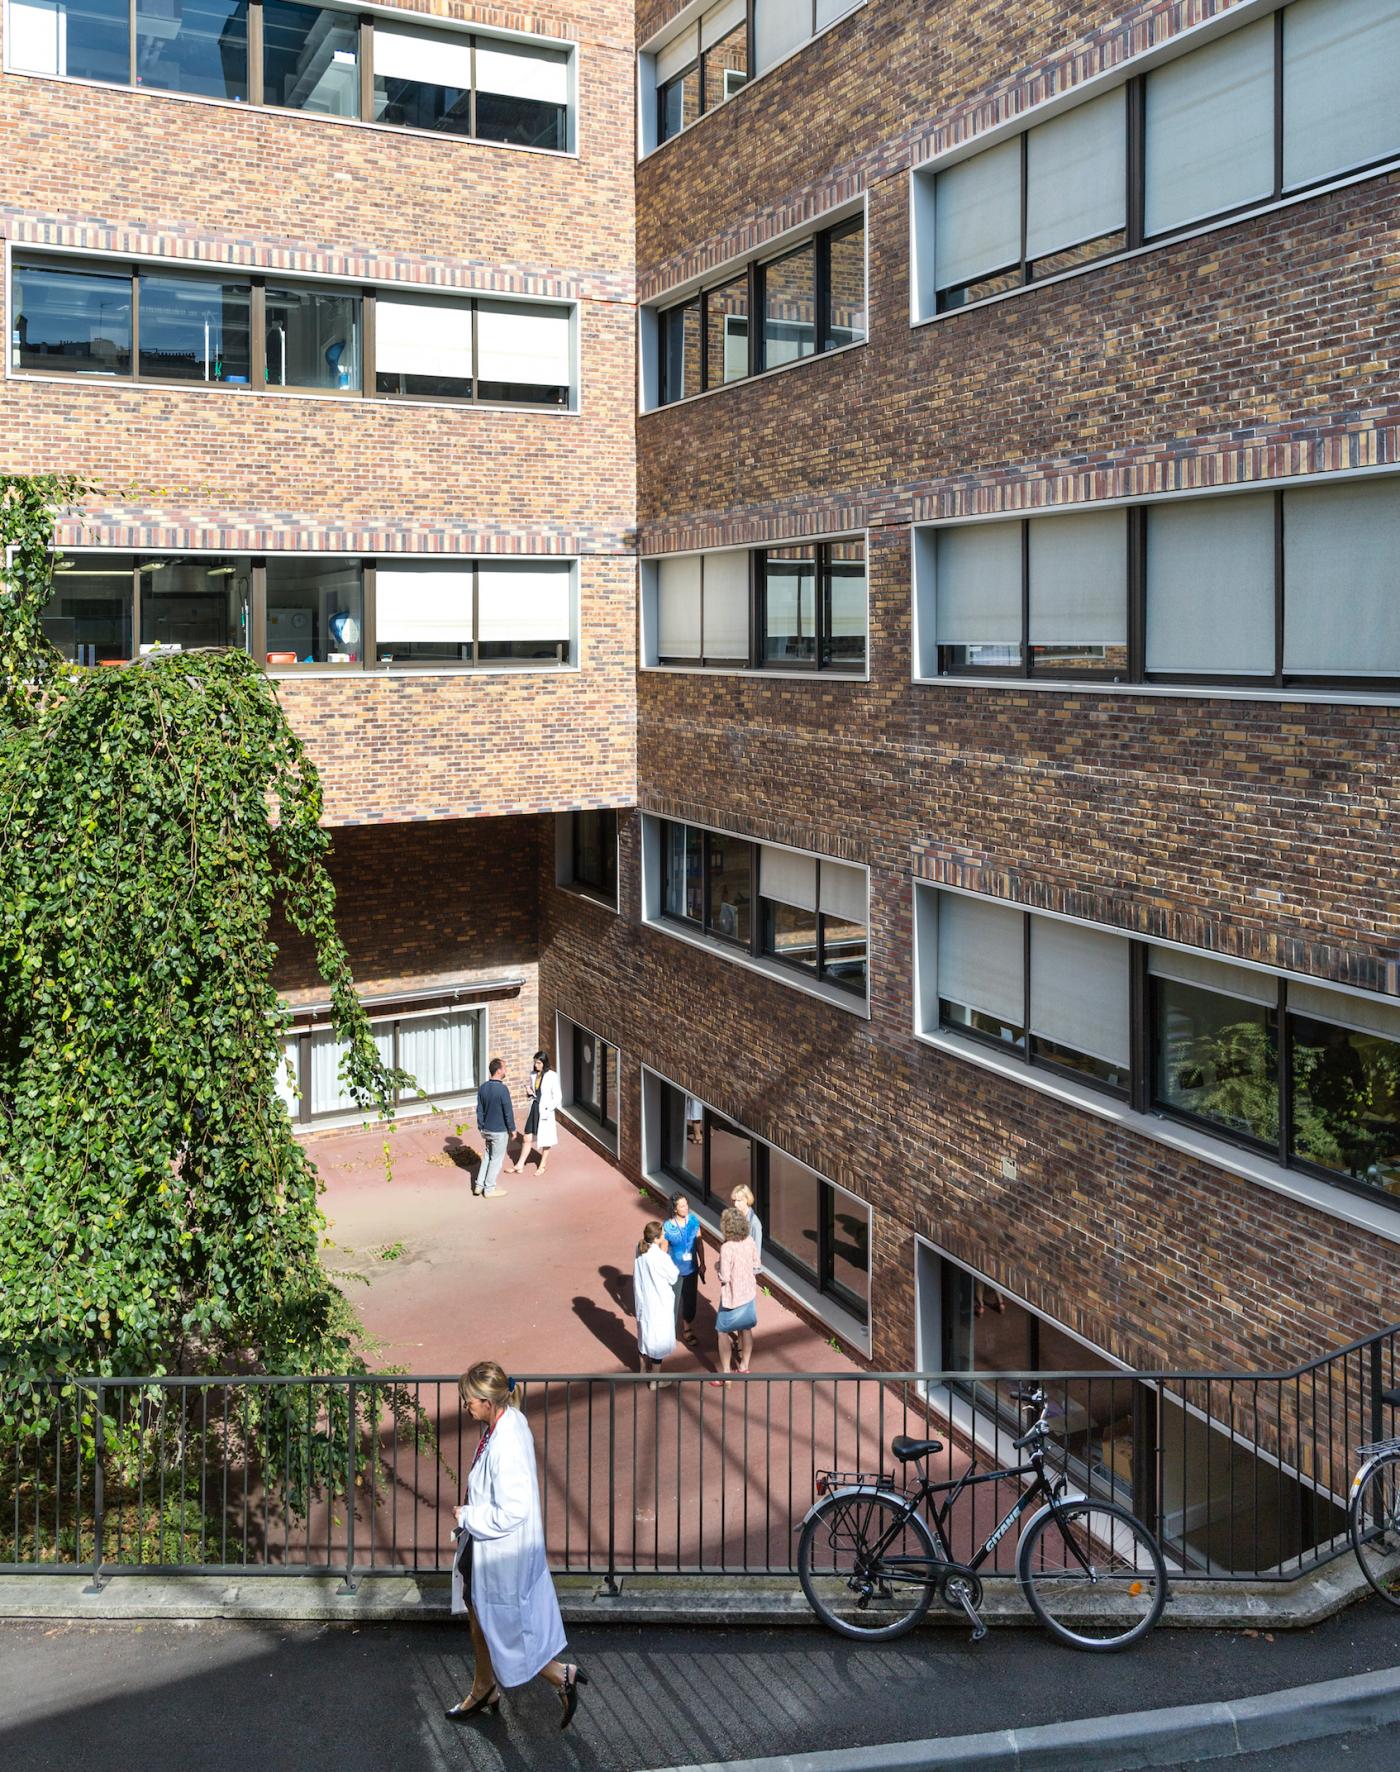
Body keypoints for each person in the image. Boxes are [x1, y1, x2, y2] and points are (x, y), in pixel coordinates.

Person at [447, 1360, 588, 1730]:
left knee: (501, 1624)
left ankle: (559, 1675)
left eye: (469, 1401)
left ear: (488, 1402)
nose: (465, 1406)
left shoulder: (505, 1441)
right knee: (486, 1615)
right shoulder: (506, 1424)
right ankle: (484, 1686)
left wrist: (468, 1516)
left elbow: (511, 1510)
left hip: (499, 1549)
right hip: (489, 1548)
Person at [712, 1207, 759, 1385]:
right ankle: (744, 1365)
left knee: (722, 1331)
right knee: (746, 1329)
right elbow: (756, 1263)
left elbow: (724, 1276)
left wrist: (717, 1267)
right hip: (748, 1293)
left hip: (731, 1297)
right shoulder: (750, 1241)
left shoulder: (727, 1248)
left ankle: (726, 1373)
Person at [633, 1221, 679, 1386]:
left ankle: (642, 1370)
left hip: (643, 1300)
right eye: (663, 1234)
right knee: (658, 1339)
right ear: (657, 1237)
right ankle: (655, 1380)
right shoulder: (661, 1257)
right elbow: (673, 1276)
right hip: (659, 1302)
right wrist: (664, 1252)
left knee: (643, 1334)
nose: (665, 1235)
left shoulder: (639, 1249)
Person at [662, 1192, 706, 1349]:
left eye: (686, 1204)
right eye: (681, 1206)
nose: (685, 1208)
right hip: (674, 1271)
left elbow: (699, 1243)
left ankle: (687, 1328)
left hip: (691, 1269)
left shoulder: (694, 1221)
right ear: (674, 1209)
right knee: (672, 1302)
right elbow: (663, 1250)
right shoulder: (667, 1227)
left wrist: (702, 1263)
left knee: (689, 1301)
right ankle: (668, 1332)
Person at [474, 1058, 515, 1199]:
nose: (506, 1070)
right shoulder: (503, 1090)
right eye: (505, 1067)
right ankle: (489, 1189)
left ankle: (479, 1185)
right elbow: (508, 1111)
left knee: (487, 1157)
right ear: (498, 1070)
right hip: (499, 1131)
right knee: (496, 1160)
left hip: (486, 1130)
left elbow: (479, 1110)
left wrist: (481, 1126)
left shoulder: (483, 1087)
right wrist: (512, 1129)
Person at [731, 1182, 763, 1273]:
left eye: (739, 1201)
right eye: (734, 1201)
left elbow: (756, 1255)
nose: (736, 1204)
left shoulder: (755, 1224)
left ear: (746, 1199)